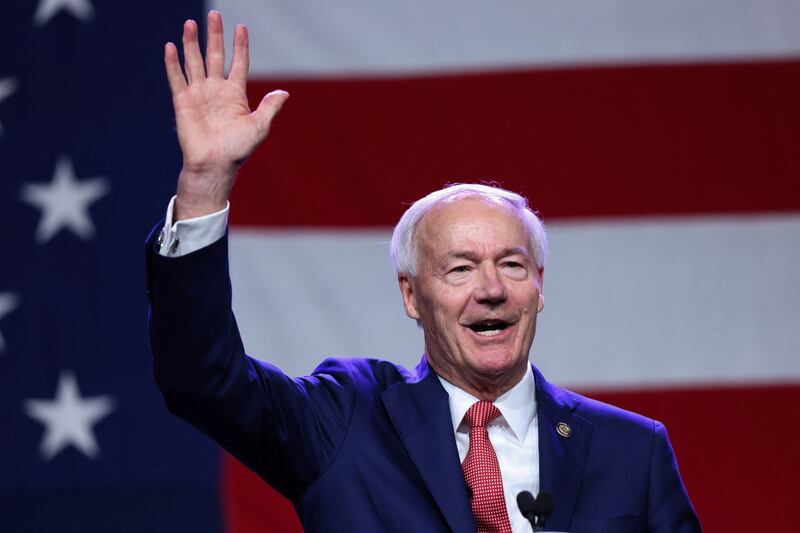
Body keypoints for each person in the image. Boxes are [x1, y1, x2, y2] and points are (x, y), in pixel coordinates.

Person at [146, 11, 701, 532]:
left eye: (511, 264)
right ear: (411, 296)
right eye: (460, 269)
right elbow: (202, 379)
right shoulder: (345, 421)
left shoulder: (632, 452)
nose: (490, 290)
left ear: (539, 286)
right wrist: (206, 183)